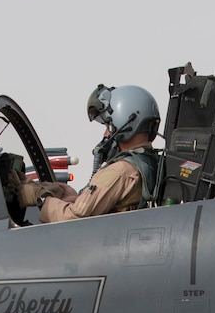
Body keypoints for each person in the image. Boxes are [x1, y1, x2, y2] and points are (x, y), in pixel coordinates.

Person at [18, 84, 161, 221]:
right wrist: (77, 197)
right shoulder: (150, 162)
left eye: (108, 126)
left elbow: (75, 217)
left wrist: (42, 199)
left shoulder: (121, 170)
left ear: (124, 124)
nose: (106, 134)